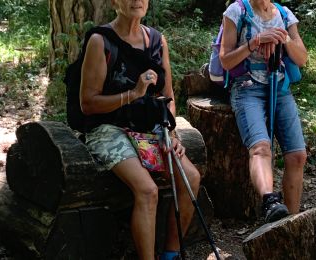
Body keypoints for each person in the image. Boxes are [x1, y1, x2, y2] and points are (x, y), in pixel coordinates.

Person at [79, 0, 201, 259]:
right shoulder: (101, 41)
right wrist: (133, 94)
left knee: (190, 177)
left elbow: (167, 95)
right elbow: (88, 103)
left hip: (150, 128)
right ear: (114, 2)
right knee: (147, 190)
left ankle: (172, 253)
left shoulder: (157, 41)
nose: (137, 1)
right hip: (108, 128)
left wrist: (172, 132)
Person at [219, 0, 308, 223]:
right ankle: (271, 201)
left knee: (297, 156)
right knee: (260, 147)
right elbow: (226, 60)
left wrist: (282, 37)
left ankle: (291, 223)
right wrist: (256, 41)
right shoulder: (236, 11)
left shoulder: (285, 15)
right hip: (247, 88)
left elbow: (302, 58)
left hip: (280, 87)